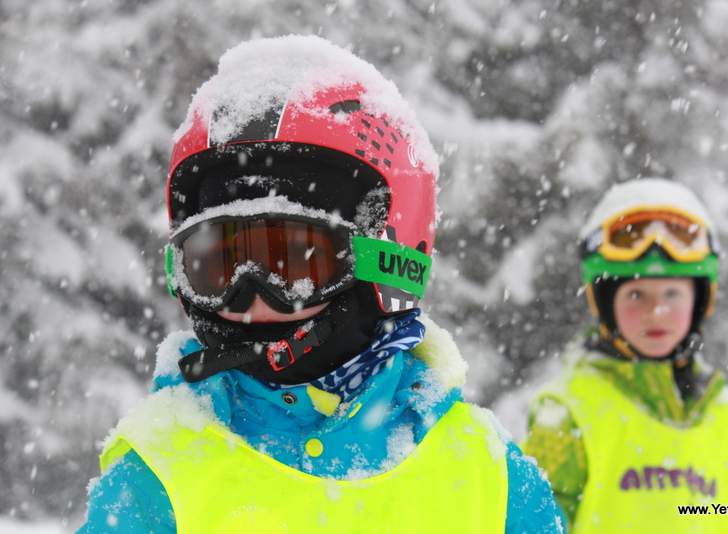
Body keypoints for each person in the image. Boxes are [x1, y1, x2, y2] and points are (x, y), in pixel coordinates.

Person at [79, 35, 564, 533]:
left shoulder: (490, 478)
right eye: (218, 268)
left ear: (387, 262)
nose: (252, 297)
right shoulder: (158, 474)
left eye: (292, 260)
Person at [523, 178, 728, 533]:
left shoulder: (726, 411)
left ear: (699, 302)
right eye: (636, 295)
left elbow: (721, 512)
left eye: (672, 295)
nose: (657, 312)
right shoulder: (568, 410)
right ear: (605, 304)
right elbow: (535, 523)